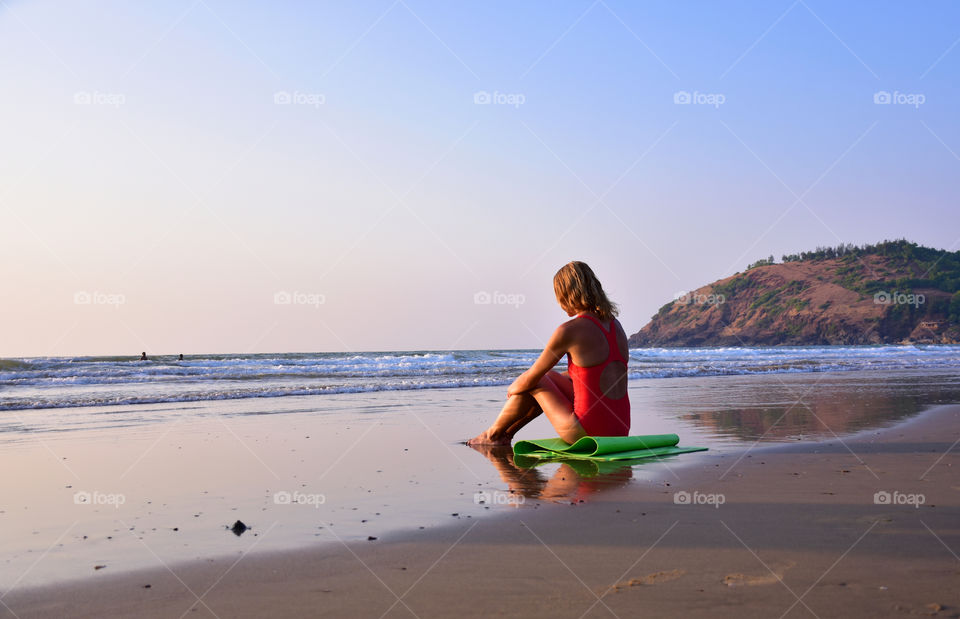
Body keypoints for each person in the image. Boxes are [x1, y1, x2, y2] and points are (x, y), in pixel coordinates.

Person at [467, 261, 630, 446]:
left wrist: (512, 389)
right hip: (620, 430)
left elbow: (532, 378)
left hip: (586, 433)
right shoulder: (616, 326)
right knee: (553, 376)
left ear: (566, 294)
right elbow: (594, 375)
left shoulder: (569, 331)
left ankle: (491, 435)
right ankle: (506, 435)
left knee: (538, 381)